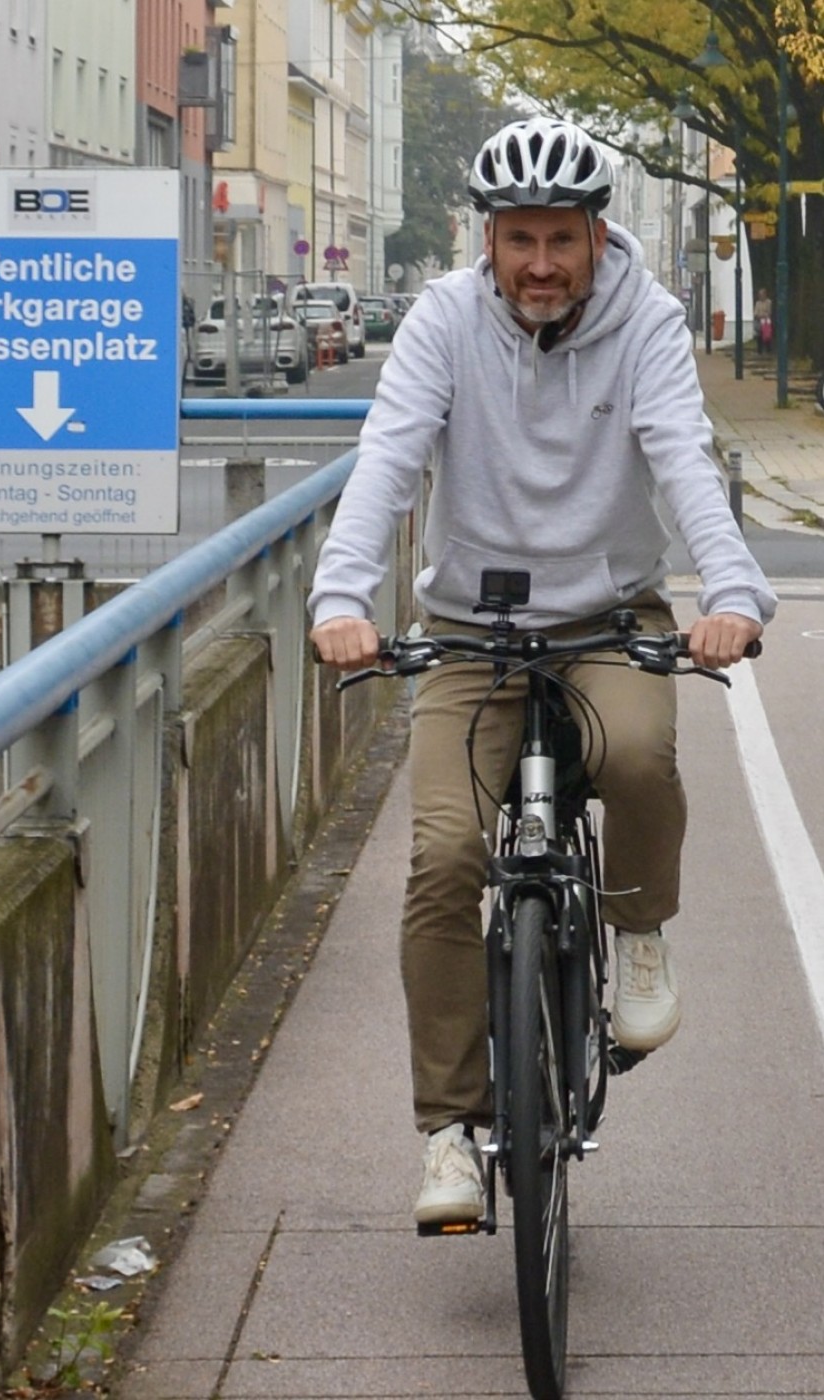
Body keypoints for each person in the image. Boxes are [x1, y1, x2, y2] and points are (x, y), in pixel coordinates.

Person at [308, 117, 776, 1226]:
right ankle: (445, 1135)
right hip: (470, 629)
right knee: (440, 860)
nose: (538, 265)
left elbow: (679, 456)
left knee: (637, 751)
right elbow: (385, 457)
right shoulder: (440, 321)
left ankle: (638, 927)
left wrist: (733, 592)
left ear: (595, 233)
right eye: (516, 239)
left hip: (608, 614)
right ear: (488, 238)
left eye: (558, 239)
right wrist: (338, 596)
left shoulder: (648, 321)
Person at [753, 287, 773, 354]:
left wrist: (763, 315)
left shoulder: (768, 302)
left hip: (766, 321)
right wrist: (759, 316)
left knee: (767, 335)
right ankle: (759, 350)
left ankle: (768, 350)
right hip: (759, 320)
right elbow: (755, 312)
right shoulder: (757, 303)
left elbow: (769, 312)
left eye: (762, 294)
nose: (760, 296)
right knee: (759, 335)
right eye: (759, 295)